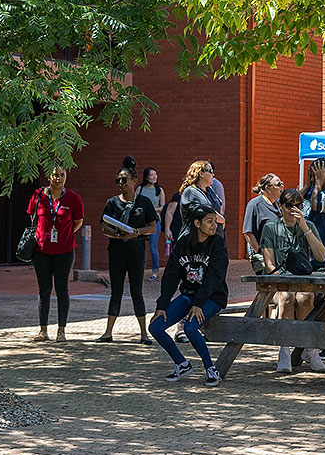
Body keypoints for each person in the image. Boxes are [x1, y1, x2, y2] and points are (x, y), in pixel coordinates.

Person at [149, 207, 229, 387]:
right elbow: (171, 275)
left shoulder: (217, 243)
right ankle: (182, 363)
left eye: (215, 221)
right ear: (197, 223)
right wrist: (162, 305)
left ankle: (211, 369)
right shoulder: (183, 243)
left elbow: (215, 277)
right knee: (155, 327)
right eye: (209, 221)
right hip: (188, 295)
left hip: (213, 297)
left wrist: (199, 303)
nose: (214, 225)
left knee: (190, 328)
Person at [260, 188, 325, 374]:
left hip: (302, 281)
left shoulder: (308, 225)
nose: (294, 210)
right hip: (279, 282)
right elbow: (269, 265)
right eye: (289, 206)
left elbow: (321, 256)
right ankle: (284, 349)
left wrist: (305, 228)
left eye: (298, 205)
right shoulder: (271, 228)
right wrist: (282, 281)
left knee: (305, 298)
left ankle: (310, 349)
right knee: (286, 296)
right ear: (281, 206)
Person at [98, 157, 158, 343]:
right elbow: (104, 226)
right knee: (115, 291)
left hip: (136, 250)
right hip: (117, 250)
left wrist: (136, 232)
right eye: (118, 180)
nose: (121, 183)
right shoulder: (112, 202)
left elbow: (152, 227)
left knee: (136, 292)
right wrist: (116, 234)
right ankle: (108, 332)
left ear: (134, 181)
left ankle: (143, 334)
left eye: (124, 179)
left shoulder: (144, 202)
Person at [27, 165, 84, 342]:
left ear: (66, 176)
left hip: (65, 251)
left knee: (62, 290)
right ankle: (43, 331)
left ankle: (61, 331)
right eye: (55, 175)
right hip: (41, 251)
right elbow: (33, 218)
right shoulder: (38, 195)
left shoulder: (73, 198)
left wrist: (65, 234)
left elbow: (78, 222)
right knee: (44, 290)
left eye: (62, 175)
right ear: (48, 177)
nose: (58, 178)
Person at [177, 160, 225, 237]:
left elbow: (219, 207)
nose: (213, 174)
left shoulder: (210, 190)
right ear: (201, 173)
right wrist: (222, 220)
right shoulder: (191, 191)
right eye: (210, 171)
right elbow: (206, 211)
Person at [242, 173, 283, 254]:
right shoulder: (254, 204)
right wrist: (260, 253)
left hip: (278, 253)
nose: (282, 186)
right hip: (264, 254)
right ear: (268, 188)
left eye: (282, 183)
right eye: (278, 184)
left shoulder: (278, 205)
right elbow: (248, 233)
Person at [137, 167, 166, 281]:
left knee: (153, 247)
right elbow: (135, 203)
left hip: (155, 221)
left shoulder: (159, 190)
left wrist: (150, 209)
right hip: (141, 222)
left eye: (155, 175)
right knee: (139, 247)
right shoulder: (140, 189)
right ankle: (138, 270)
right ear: (146, 177)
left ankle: (155, 271)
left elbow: (162, 207)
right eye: (151, 175)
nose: (154, 177)